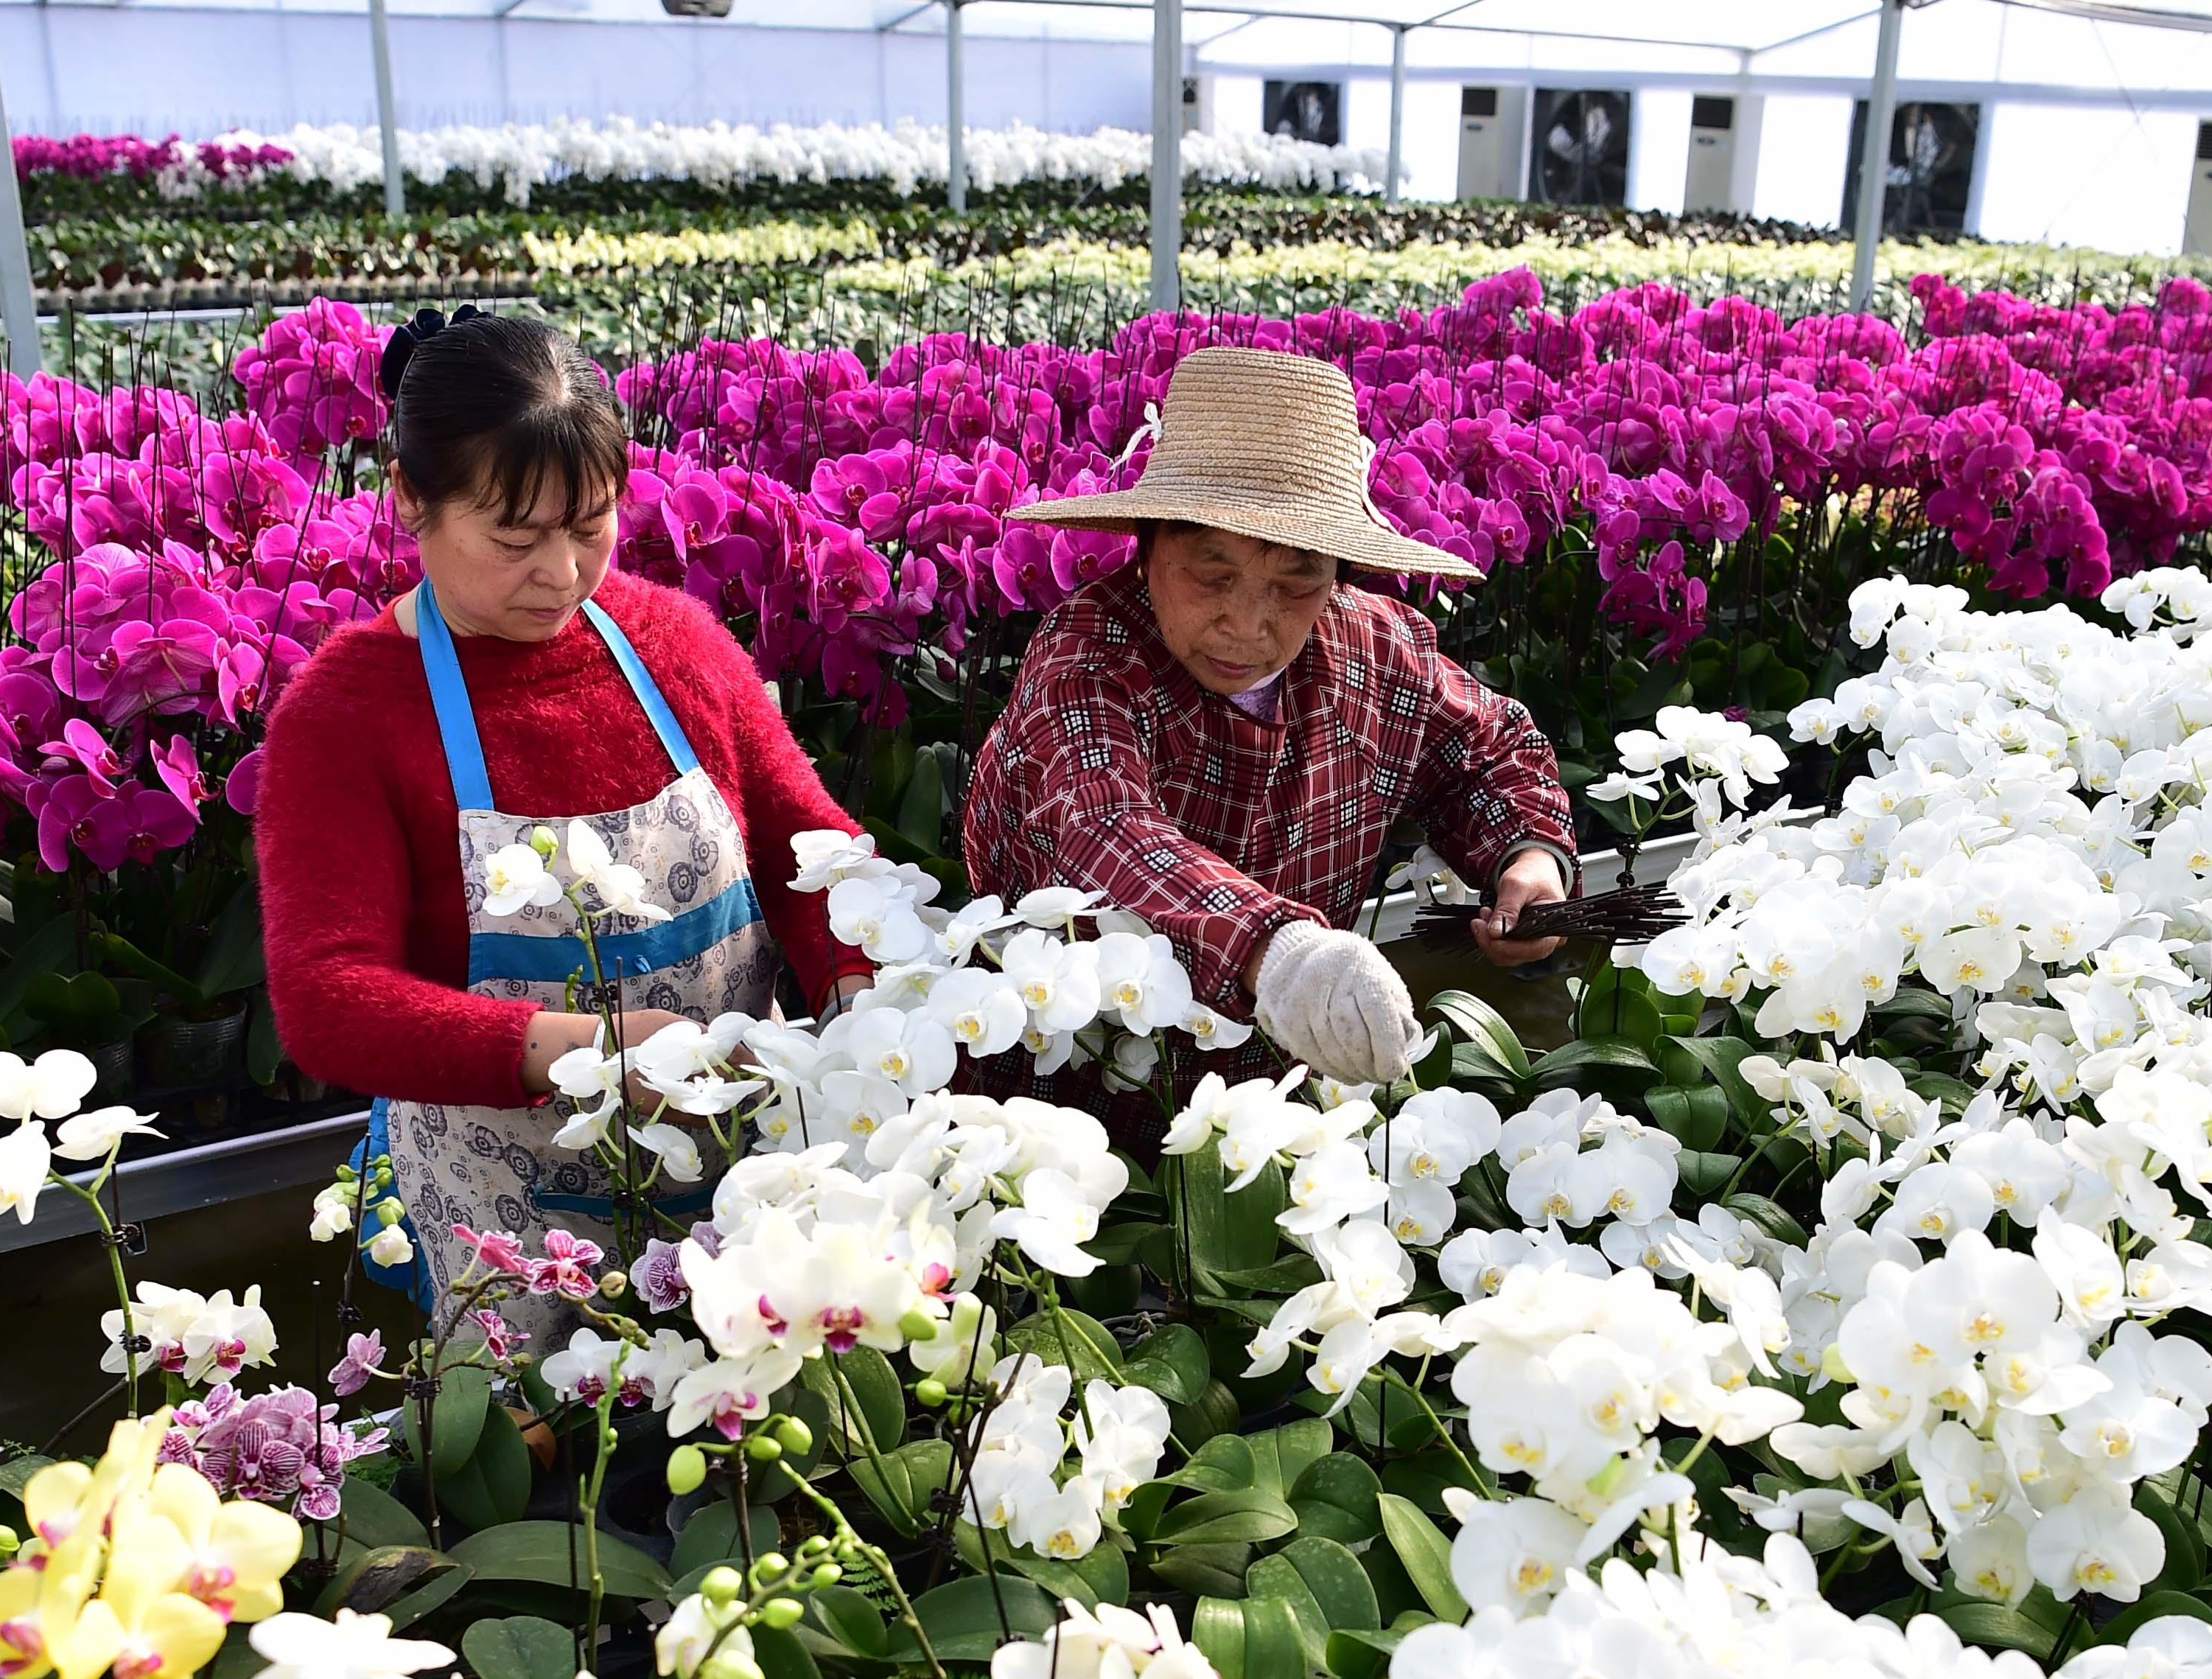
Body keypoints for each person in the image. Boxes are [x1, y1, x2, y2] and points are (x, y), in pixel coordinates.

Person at [256, 308, 874, 1330]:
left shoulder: (672, 642)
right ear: (409, 498)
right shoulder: (346, 715)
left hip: (746, 1178)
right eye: (515, 539)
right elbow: (328, 1000)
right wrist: (594, 1053)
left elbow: (808, 844)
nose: (563, 575)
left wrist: (860, 991)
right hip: (507, 1220)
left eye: (590, 528)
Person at [961, 345, 1578, 1094]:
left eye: (1297, 580)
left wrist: (1527, 864)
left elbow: (1488, 754)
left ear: (1337, 574)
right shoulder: (1085, 660)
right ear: (1145, 544)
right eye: (1212, 574)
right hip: (1074, 1100)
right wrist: (1279, 953)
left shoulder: (1374, 647)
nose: (1249, 624)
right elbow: (1101, 827)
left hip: (1284, 1097)